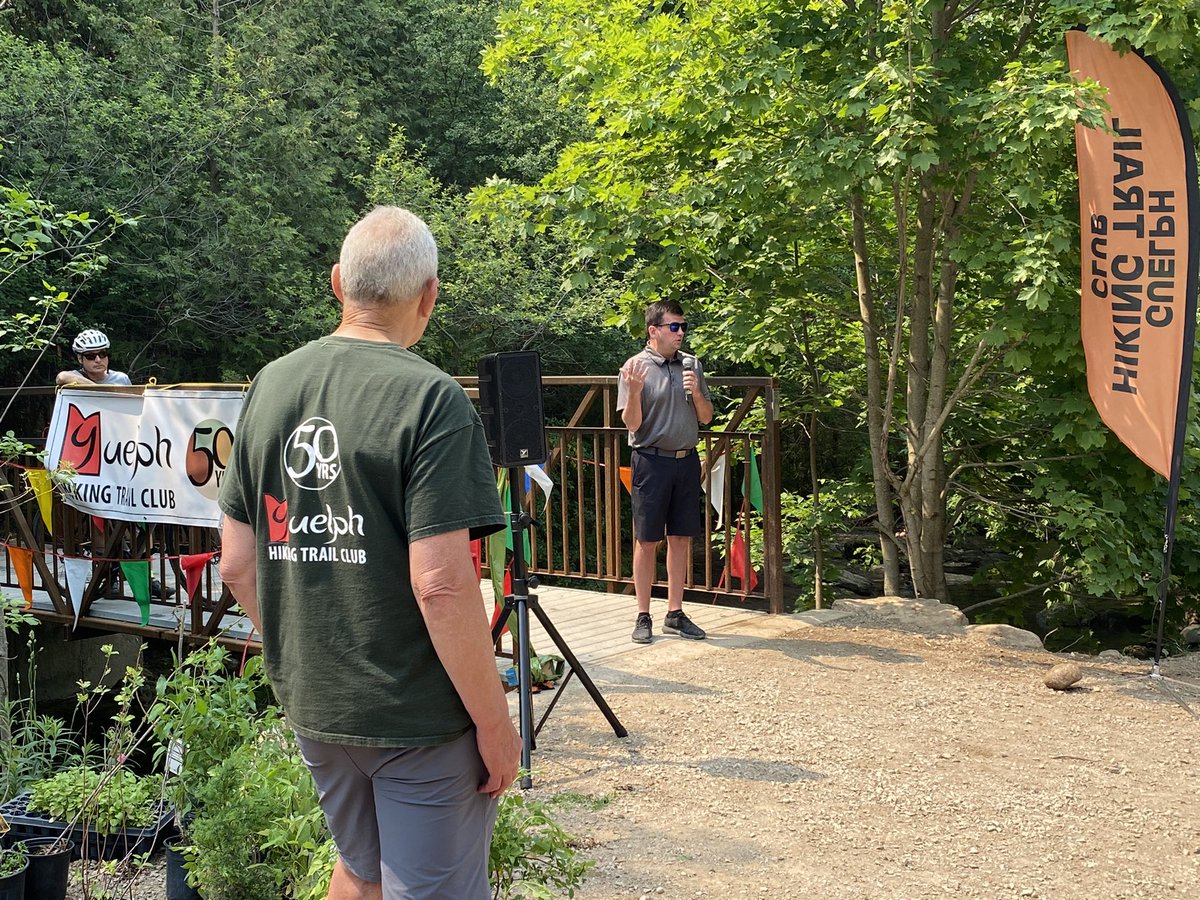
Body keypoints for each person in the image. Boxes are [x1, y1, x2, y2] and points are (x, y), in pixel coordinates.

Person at [218, 206, 521, 900]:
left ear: (337, 284)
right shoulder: (430, 398)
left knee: (360, 871)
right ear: (429, 294)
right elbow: (442, 587)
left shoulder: (270, 384)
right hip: (417, 719)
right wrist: (496, 723)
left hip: (318, 708)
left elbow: (236, 562)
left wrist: (307, 655)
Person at [617, 300, 714, 645]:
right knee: (647, 540)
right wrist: (634, 394)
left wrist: (697, 391)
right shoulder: (634, 367)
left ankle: (675, 613)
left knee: (681, 538)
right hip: (650, 460)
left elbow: (706, 417)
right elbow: (631, 424)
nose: (681, 333)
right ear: (653, 331)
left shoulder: (692, 364)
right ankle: (643, 615)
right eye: (674, 327)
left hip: (686, 460)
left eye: (683, 326)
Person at [55, 328, 132, 386]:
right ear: (80, 359)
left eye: (102, 354)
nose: (98, 360)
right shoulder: (76, 376)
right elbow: (61, 377)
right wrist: (96, 388)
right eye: (90, 356)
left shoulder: (121, 379)